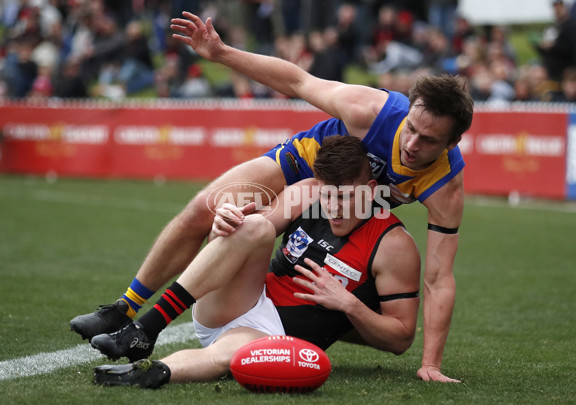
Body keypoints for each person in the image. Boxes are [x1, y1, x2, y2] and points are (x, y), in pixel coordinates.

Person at [70, 11, 473, 383]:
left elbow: (439, 278)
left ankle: (305, 325)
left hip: (355, 200)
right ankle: (123, 311)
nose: (413, 144)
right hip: (307, 166)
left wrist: (430, 364)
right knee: (206, 210)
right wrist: (222, 53)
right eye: (412, 129)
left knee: (352, 289)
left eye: (429, 140)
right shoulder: (372, 110)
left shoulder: (445, 187)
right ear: (409, 111)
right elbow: (297, 81)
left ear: (453, 142)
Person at [91, 135, 421, 388]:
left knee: (223, 358)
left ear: (371, 189)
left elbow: (401, 338)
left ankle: (142, 373)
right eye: (327, 195)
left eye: (345, 197)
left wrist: (348, 304)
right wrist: (225, 220)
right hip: (238, 298)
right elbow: (254, 230)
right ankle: (146, 329)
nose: (333, 207)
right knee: (256, 227)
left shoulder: (393, 244)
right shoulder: (306, 191)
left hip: (270, 338)